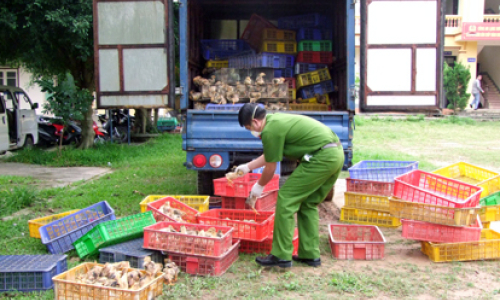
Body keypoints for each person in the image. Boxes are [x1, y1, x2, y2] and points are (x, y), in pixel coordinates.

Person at [235, 103, 344, 268]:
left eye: (249, 127)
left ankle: (281, 256)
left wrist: (258, 188)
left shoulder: (270, 130)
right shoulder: (274, 121)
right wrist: (248, 167)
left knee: (286, 198)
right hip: (335, 154)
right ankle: (310, 254)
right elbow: (271, 154)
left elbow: (270, 167)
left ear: (255, 122)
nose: (251, 131)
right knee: (308, 203)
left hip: (320, 157)